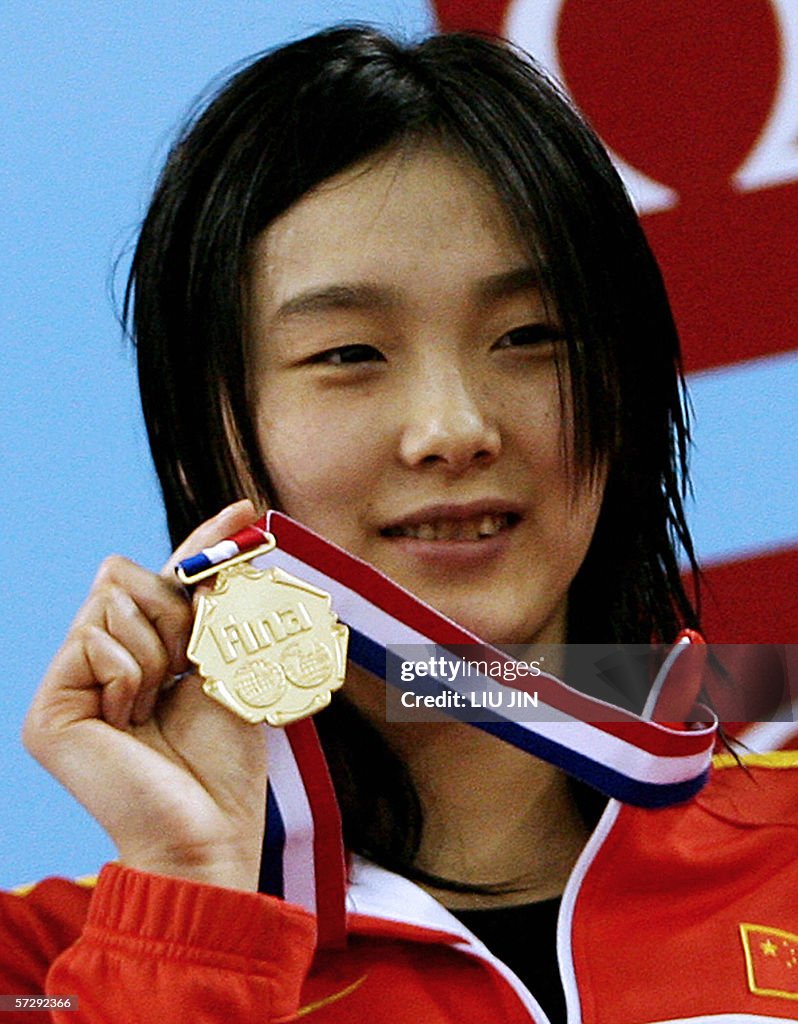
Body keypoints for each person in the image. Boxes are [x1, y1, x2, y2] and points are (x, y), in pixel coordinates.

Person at [3, 25, 797, 1024]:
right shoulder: (42, 967)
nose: (454, 429)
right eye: (348, 354)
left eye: (530, 336)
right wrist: (190, 900)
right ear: (201, 440)